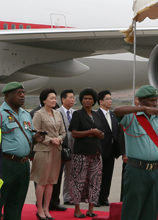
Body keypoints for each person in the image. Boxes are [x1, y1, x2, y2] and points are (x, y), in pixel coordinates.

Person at [115, 86, 158, 220]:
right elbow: (117, 111)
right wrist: (142, 109)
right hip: (136, 171)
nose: (155, 104)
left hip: (155, 171)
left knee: (150, 212)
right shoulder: (131, 116)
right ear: (140, 101)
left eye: (156, 100)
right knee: (131, 212)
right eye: (151, 100)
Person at [0, 81, 46, 220]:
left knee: (17, 204)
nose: (22, 95)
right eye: (18, 93)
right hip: (6, 164)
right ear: (7, 96)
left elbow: (27, 135)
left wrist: (35, 138)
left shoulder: (25, 114)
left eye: (23, 93)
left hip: (23, 165)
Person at [68, 87, 105, 218]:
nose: (87, 101)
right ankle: (77, 209)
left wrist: (99, 134)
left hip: (96, 153)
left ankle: (91, 209)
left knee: (94, 181)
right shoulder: (78, 114)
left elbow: (100, 131)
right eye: (85, 98)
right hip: (81, 153)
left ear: (94, 100)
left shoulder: (97, 115)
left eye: (90, 98)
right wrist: (90, 132)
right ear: (81, 100)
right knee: (78, 181)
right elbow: (74, 133)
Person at [31, 88, 66, 220]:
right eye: (51, 98)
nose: (53, 100)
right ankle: (39, 209)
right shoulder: (38, 114)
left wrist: (60, 139)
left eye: (54, 98)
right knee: (41, 181)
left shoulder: (57, 114)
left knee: (51, 181)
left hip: (56, 151)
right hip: (43, 150)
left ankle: (47, 209)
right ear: (44, 100)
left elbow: (63, 132)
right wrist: (50, 139)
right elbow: (34, 134)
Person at [96, 90, 124, 206]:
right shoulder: (96, 115)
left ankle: (104, 197)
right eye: (108, 99)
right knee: (97, 176)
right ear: (101, 101)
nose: (110, 101)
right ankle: (95, 198)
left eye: (111, 99)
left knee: (108, 175)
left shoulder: (113, 115)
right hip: (100, 149)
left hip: (111, 150)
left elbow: (117, 132)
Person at [59, 89, 75, 205]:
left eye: (74, 98)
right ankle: (54, 198)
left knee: (70, 173)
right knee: (58, 174)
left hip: (73, 148)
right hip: (60, 147)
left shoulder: (76, 113)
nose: (72, 100)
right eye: (70, 97)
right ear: (63, 99)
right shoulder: (57, 112)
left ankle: (68, 197)